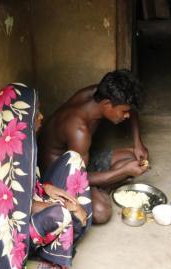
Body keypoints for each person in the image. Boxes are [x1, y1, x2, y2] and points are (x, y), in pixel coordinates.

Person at [0, 83, 92, 268]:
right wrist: (69, 206)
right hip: (13, 231)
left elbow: (26, 186)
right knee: (61, 214)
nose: (41, 116)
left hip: (29, 205)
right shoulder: (4, 152)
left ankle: (61, 236)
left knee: (73, 159)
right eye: (36, 112)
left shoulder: (20, 140)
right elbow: (15, 208)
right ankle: (54, 252)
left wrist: (47, 187)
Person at [38, 69, 149, 224]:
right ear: (107, 105)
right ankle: (102, 189)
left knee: (132, 157)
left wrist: (138, 143)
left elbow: (131, 109)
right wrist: (124, 171)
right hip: (60, 177)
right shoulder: (78, 130)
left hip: (82, 158)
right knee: (101, 212)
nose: (127, 115)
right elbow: (76, 177)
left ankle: (101, 187)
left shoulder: (98, 93)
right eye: (124, 111)